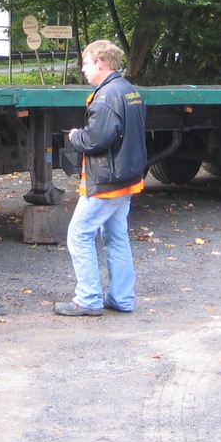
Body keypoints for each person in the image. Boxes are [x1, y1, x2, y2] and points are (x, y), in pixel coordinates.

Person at [55, 39, 147, 317]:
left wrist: (75, 136)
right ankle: (121, 298)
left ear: (101, 63)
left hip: (106, 182)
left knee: (79, 234)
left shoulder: (106, 98)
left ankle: (88, 299)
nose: (83, 69)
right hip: (127, 178)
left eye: (85, 63)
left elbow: (96, 140)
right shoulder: (130, 91)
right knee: (116, 236)